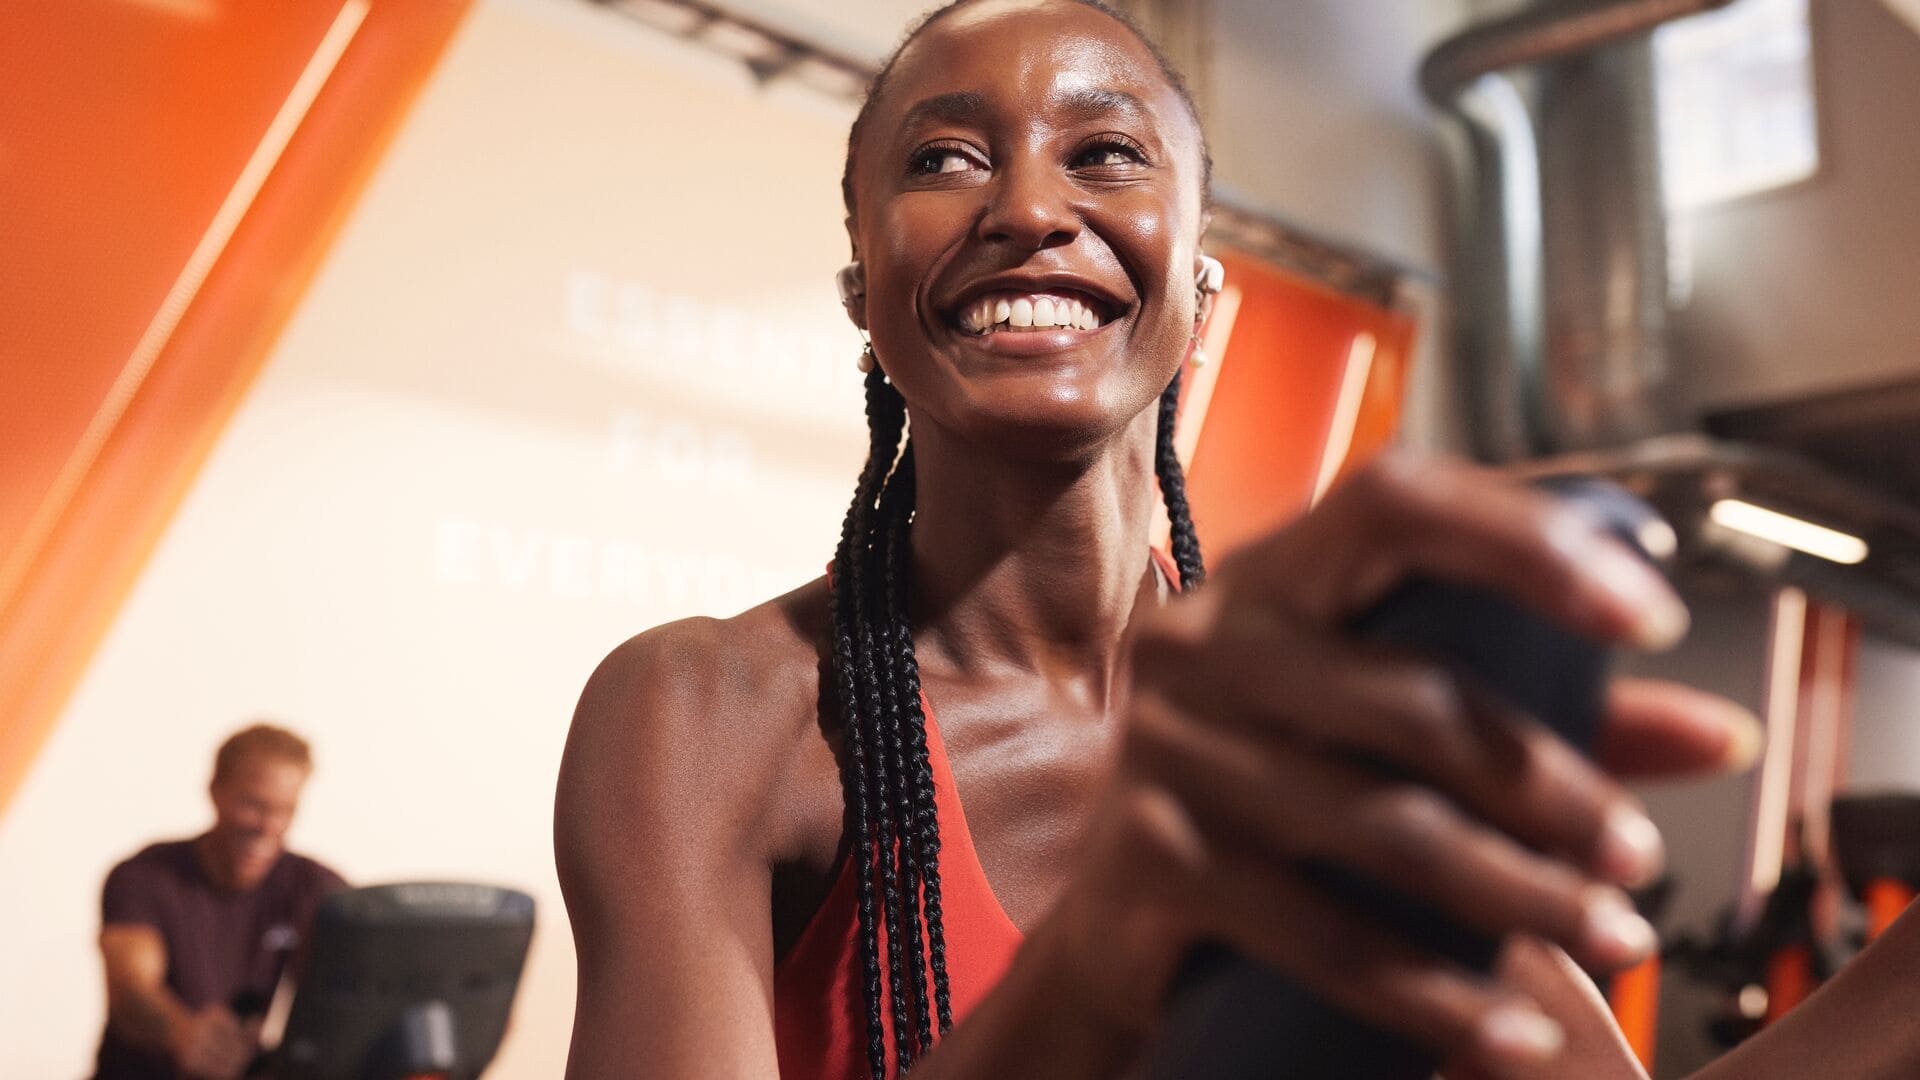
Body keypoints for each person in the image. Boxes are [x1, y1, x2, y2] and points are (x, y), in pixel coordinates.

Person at [554, 2, 1763, 1077]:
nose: (1027, 207)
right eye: (944, 159)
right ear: (864, 295)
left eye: (1106, 154)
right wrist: (1099, 966)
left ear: (1199, 293)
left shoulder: (1309, 720)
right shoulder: (705, 711)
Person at [94, 723, 346, 1080]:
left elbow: (354, 987)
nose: (267, 825)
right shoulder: (145, 877)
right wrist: (181, 1032)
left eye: (285, 810)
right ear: (215, 791)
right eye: (253, 804)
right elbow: (130, 988)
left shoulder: (317, 889)